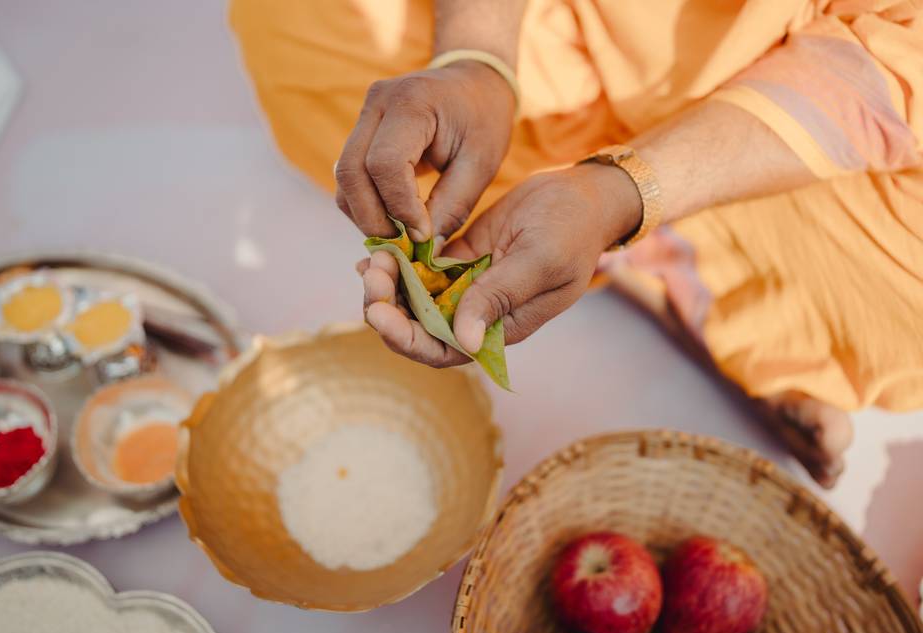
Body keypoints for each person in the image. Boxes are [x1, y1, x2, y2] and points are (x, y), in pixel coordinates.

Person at [230, 0, 923, 488]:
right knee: (298, 20)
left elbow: (897, 61)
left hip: (808, 95)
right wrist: (477, 60)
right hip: (568, 31)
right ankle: (633, 251)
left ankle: (625, 240)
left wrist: (620, 194)